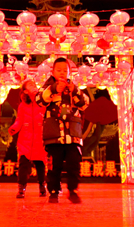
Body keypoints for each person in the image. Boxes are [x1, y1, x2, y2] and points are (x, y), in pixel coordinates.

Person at [37, 58, 89, 204]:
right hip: (54, 135)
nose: (62, 73)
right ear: (52, 72)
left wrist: (75, 91)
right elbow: (39, 100)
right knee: (55, 165)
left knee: (74, 163)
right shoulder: (48, 86)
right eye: (58, 70)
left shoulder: (73, 87)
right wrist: (54, 89)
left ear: (69, 72)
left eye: (65, 70)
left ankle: (73, 190)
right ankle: (53, 191)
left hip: (73, 135)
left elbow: (85, 103)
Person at [8, 79, 47, 199]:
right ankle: (21, 188)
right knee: (23, 164)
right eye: (30, 85)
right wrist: (14, 128)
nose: (34, 86)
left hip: (40, 139)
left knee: (40, 164)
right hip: (25, 139)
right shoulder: (22, 105)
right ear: (25, 91)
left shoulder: (42, 103)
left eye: (35, 84)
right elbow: (19, 120)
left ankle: (42, 186)